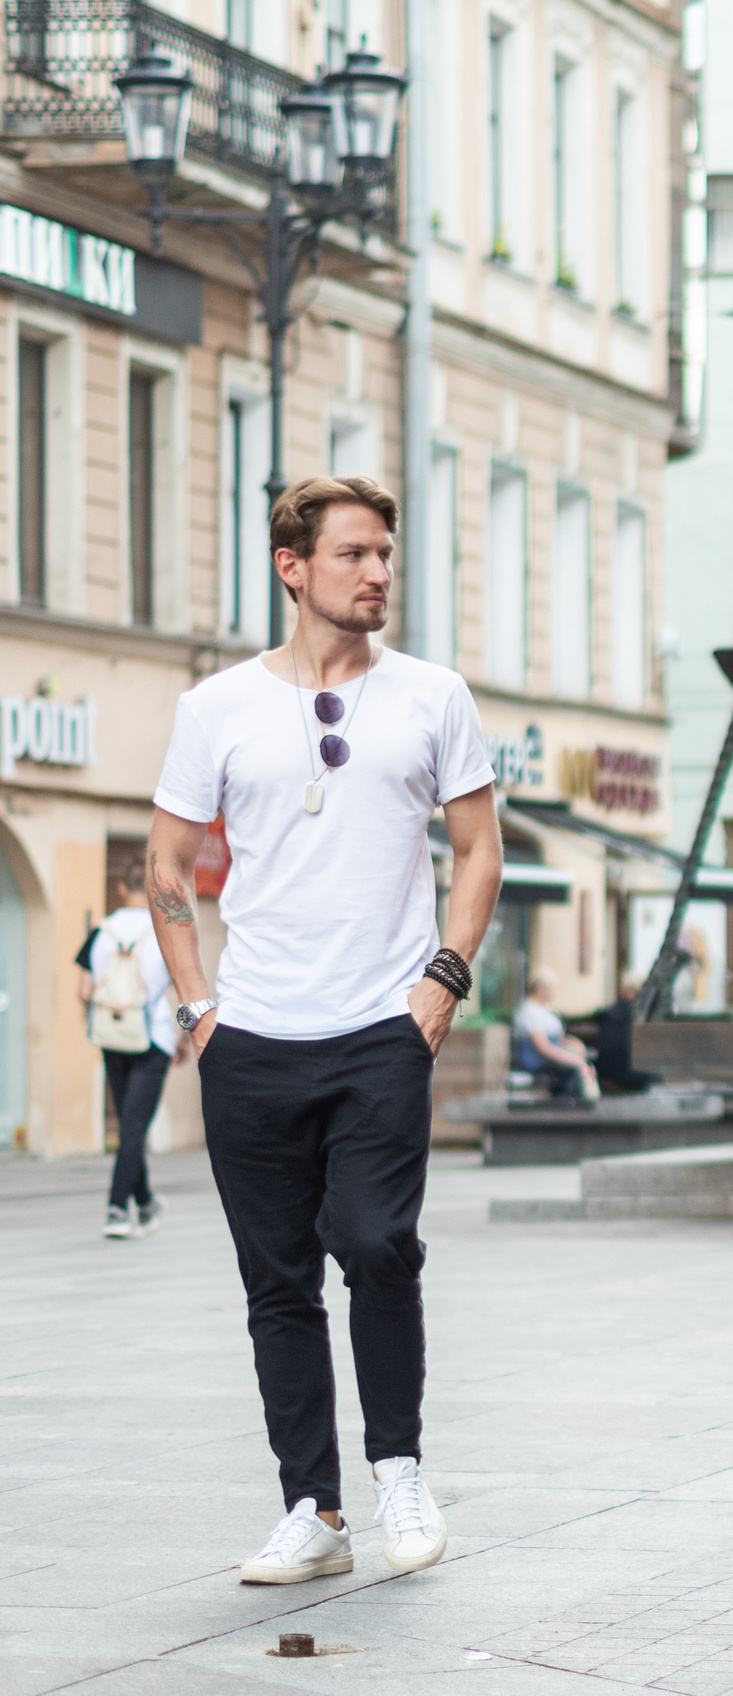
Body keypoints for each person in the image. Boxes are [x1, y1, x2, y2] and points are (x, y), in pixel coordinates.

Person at [145, 475, 503, 1585]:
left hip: (380, 1030)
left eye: (386, 554)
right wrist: (199, 1005)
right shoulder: (215, 707)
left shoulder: (433, 695)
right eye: (354, 554)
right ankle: (313, 1505)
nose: (378, 573)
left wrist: (441, 980)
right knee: (277, 1280)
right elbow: (164, 865)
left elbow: (479, 849)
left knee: (377, 1241)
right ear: (293, 567)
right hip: (250, 1038)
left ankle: (398, 1467)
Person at [83, 857, 175, 1239]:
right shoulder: (163, 933)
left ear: (121, 888)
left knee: (129, 1125)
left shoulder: (100, 933)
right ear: (151, 890)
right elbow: (179, 990)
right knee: (134, 1128)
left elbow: (85, 992)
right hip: (153, 1038)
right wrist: (184, 1037)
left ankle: (146, 1202)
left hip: (112, 1038)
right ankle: (117, 1208)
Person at [512, 967, 596, 1099]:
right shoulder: (529, 1013)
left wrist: (573, 1043)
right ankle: (573, 1110)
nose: (554, 993)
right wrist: (573, 1060)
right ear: (540, 989)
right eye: (551, 989)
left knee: (582, 1066)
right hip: (538, 1062)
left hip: (549, 1058)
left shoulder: (544, 1009)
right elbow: (543, 1047)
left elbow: (556, 1038)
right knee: (573, 1071)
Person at [592, 971, 660, 1094]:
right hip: (639, 1077)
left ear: (622, 989)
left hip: (608, 1075)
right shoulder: (645, 1016)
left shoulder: (607, 1013)